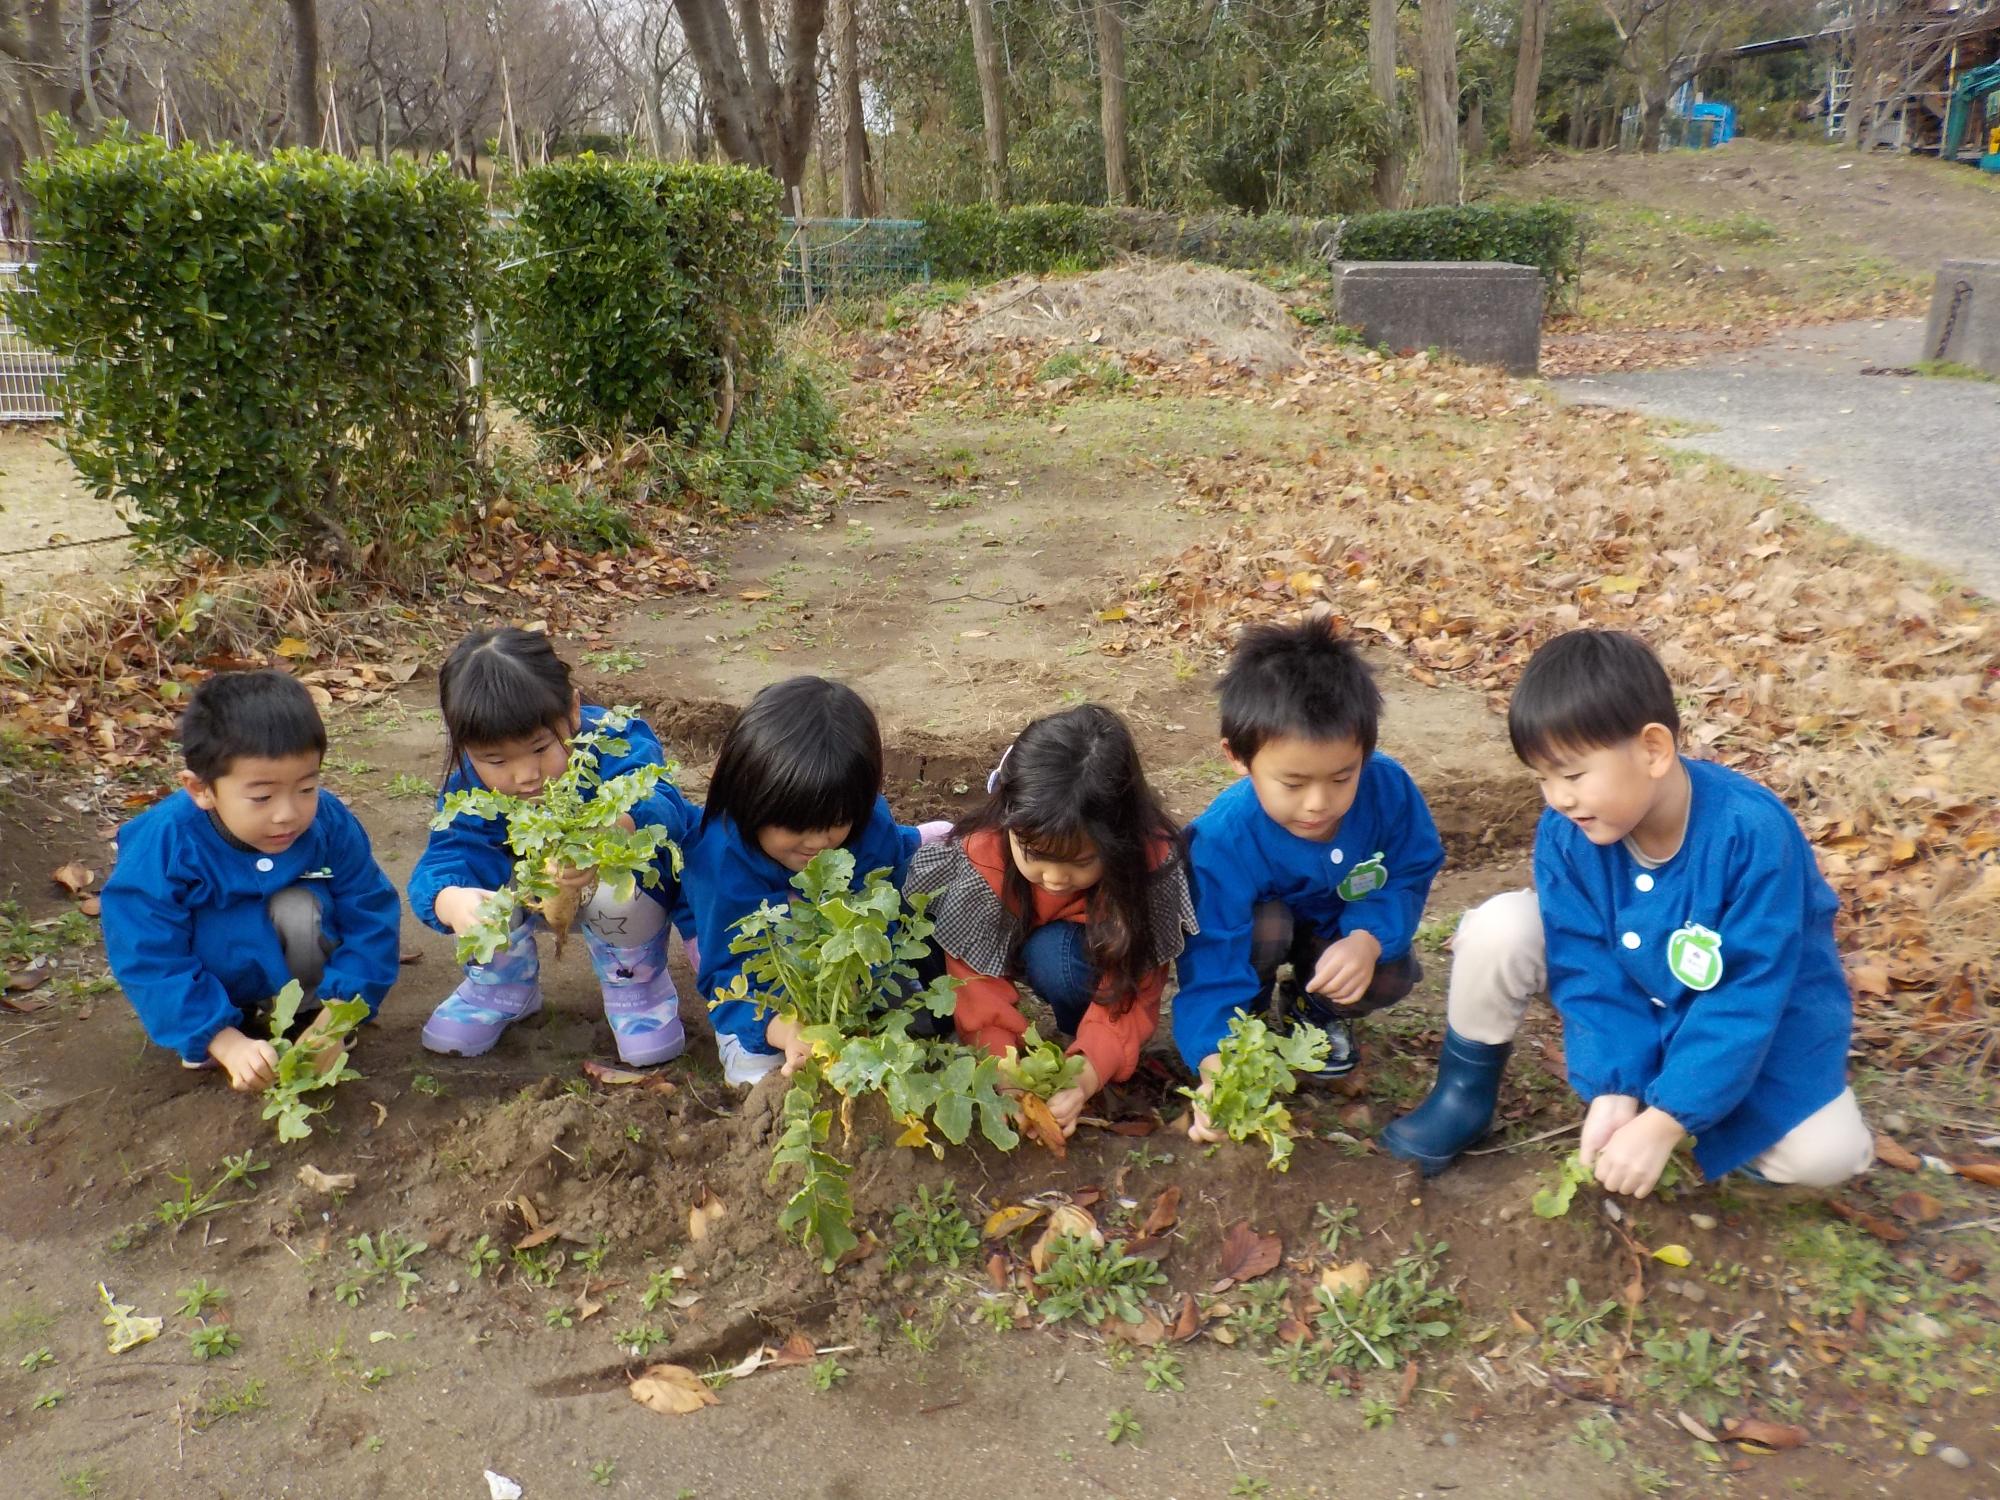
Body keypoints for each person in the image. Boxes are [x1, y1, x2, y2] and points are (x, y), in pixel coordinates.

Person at [1380, 629, 1874, 1193]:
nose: (1558, 798)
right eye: (1542, 778)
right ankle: (1461, 1097)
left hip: (1762, 1020)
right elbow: (1588, 965)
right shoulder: (1568, 833)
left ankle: (1700, 1119)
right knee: (1500, 928)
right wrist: (1615, 1087)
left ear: (1653, 751)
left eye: (1571, 775)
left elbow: (1746, 997)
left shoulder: (1751, 835)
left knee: (1827, 1156)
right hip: (1646, 996)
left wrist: (1667, 1121)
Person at [1174, 617, 1444, 1140]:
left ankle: (1311, 1010)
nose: (1319, 803)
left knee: (1390, 967)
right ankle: (1246, 1029)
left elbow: (1411, 867)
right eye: (1293, 783)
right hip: (1259, 938)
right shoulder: (1222, 839)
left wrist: (1367, 937)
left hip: (1333, 935)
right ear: (1237, 757)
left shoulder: (1389, 789)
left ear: (1365, 749)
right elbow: (1210, 954)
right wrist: (1216, 1063)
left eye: (1343, 777)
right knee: (1263, 927)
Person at [409, 627, 698, 1065]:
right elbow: (449, 854)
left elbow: (664, 806)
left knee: (619, 894)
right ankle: (503, 987)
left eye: (540, 748)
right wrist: (451, 899)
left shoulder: (615, 740)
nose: (525, 776)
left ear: (574, 710)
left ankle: (634, 986)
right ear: (466, 749)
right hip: (533, 895)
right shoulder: (469, 789)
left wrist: (614, 831)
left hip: (619, 901)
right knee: (479, 895)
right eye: (496, 760)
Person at [904, 705, 1196, 1137]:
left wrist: (1087, 1072)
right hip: (1002, 933)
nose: (1056, 878)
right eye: (1035, 856)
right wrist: (1003, 1070)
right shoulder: (982, 857)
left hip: (1068, 948)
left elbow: (1133, 991)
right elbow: (976, 986)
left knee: (1058, 958)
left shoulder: (1145, 870)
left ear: (1118, 842)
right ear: (1009, 823)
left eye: (1080, 862)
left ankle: (1080, 1034)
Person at [102, 670, 401, 1090]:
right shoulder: (164, 843)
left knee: (299, 907)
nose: (287, 814)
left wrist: (340, 1013)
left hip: (303, 974)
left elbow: (369, 913)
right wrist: (219, 1038)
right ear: (201, 789)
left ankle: (310, 1012)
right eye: (261, 797)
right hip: (216, 980)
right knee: (216, 930)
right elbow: (146, 952)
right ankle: (221, 1023)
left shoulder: (330, 822)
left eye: (307, 787)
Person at [687, 675, 946, 1086]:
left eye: (835, 823)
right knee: (761, 1078)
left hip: (840, 968)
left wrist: (863, 985)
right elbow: (724, 975)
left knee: (919, 1023)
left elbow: (887, 915)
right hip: (755, 978)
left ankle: (913, 840)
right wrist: (784, 1029)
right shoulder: (721, 861)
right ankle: (743, 1039)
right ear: (747, 801)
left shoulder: (867, 827)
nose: (816, 843)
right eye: (795, 826)